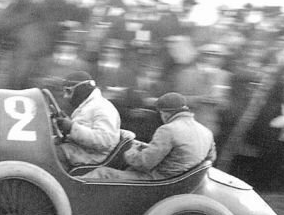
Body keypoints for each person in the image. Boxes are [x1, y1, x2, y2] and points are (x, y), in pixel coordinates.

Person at [81, 92, 216, 181]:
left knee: (102, 173)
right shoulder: (206, 132)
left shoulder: (168, 130)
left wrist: (131, 151)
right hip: (178, 180)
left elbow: (143, 163)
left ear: (165, 114)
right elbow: (210, 158)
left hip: (157, 180)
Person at [55, 70, 121, 167]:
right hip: (79, 150)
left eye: (68, 91)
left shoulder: (103, 107)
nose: (65, 96)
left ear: (81, 89)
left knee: (48, 155)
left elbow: (106, 141)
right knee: (44, 148)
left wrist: (71, 128)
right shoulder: (88, 106)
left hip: (91, 156)